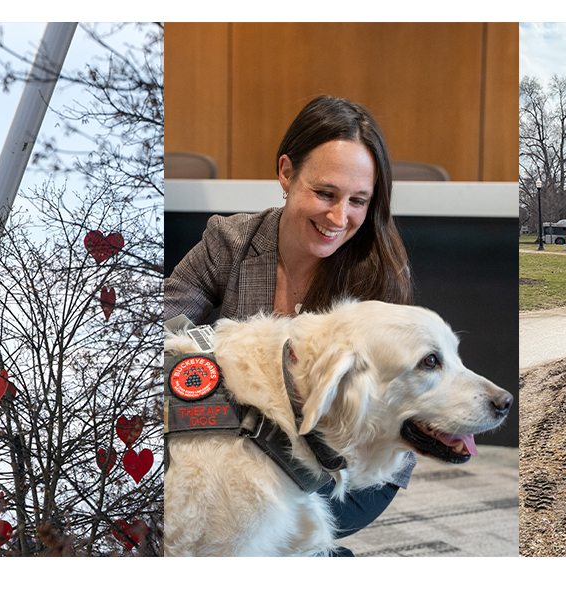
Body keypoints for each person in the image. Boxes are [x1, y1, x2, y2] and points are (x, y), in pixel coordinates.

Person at [166, 95, 413, 554]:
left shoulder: (379, 277)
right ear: (285, 172)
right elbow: (161, 329)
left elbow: (372, 414)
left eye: (358, 200)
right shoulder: (229, 242)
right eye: (325, 193)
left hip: (346, 466)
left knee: (241, 520)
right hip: (243, 448)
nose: (340, 219)